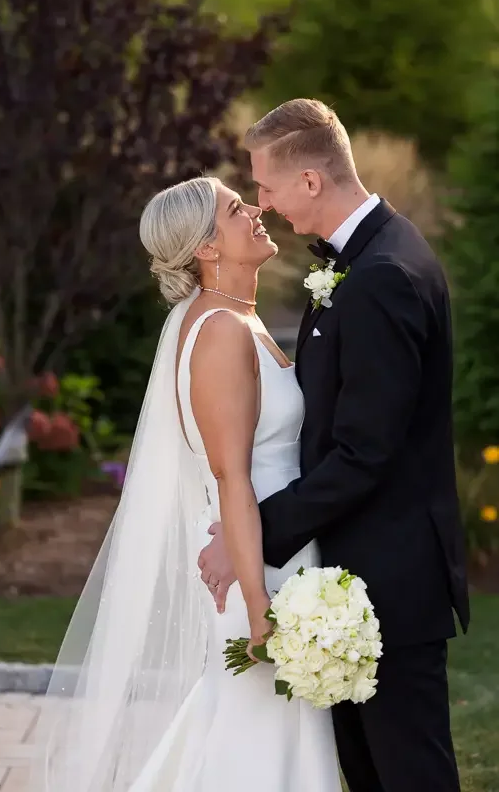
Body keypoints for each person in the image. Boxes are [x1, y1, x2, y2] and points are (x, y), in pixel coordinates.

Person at [30, 175, 342, 791]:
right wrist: (259, 607)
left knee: (254, 735)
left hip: (276, 547)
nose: (254, 210)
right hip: (260, 564)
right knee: (255, 744)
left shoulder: (234, 319)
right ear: (205, 247)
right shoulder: (220, 330)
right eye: (234, 208)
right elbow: (230, 477)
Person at [199, 99, 470, 792]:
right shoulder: (360, 262)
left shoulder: (383, 275)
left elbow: (364, 452)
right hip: (355, 581)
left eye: (267, 187)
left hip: (392, 582)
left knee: (410, 776)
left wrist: (251, 534)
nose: (265, 205)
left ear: (311, 183)